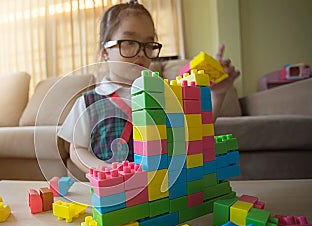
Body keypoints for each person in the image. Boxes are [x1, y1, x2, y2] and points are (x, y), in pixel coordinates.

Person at [58, 0, 240, 173]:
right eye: (129, 42)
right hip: (115, 195)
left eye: (149, 44)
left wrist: (217, 95)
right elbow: (76, 149)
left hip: (161, 192)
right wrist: (105, 171)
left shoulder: (165, 95)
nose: (141, 53)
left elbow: (196, 131)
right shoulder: (88, 102)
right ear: (106, 51)